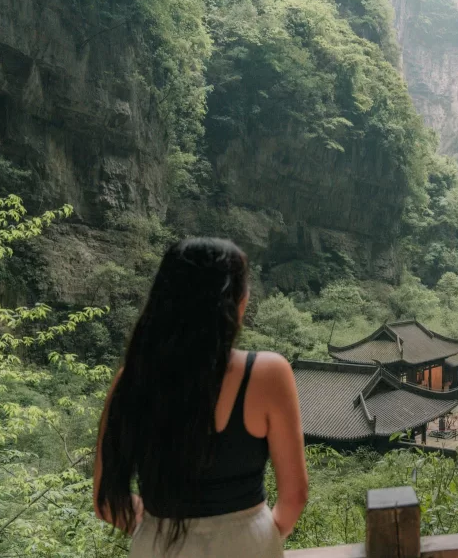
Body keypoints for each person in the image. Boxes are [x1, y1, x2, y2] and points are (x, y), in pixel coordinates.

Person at [93, 238, 308, 557]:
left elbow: (107, 500)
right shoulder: (266, 374)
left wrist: (153, 527)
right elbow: (294, 496)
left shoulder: (132, 380)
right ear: (238, 304)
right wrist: (259, 535)